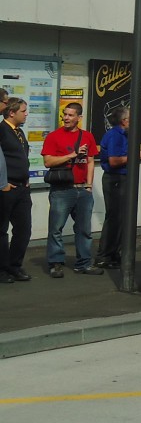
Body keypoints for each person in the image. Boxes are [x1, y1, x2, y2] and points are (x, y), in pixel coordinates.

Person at [41, 102, 103, 276]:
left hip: (83, 190)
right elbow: (48, 162)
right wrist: (72, 155)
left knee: (84, 230)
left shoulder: (87, 136)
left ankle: (84, 263)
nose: (66, 118)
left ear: (79, 117)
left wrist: (89, 185)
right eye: (65, 114)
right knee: (56, 228)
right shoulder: (54, 136)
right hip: (61, 190)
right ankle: (56, 263)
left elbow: (90, 162)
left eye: (70, 115)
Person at [1, 96, 34, 283]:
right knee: (2, 231)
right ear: (12, 112)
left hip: (22, 188)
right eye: (23, 111)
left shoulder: (19, 132)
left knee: (24, 229)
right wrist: (2, 183)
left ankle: (14, 266)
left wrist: (26, 178)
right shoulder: (2, 130)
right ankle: (2, 269)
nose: (26, 114)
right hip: (7, 188)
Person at [96, 105, 132, 269]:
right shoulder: (115, 136)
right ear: (124, 121)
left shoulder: (124, 135)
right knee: (114, 217)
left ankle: (113, 253)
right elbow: (114, 160)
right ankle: (104, 255)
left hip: (122, 178)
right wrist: (135, 155)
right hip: (115, 178)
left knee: (122, 217)